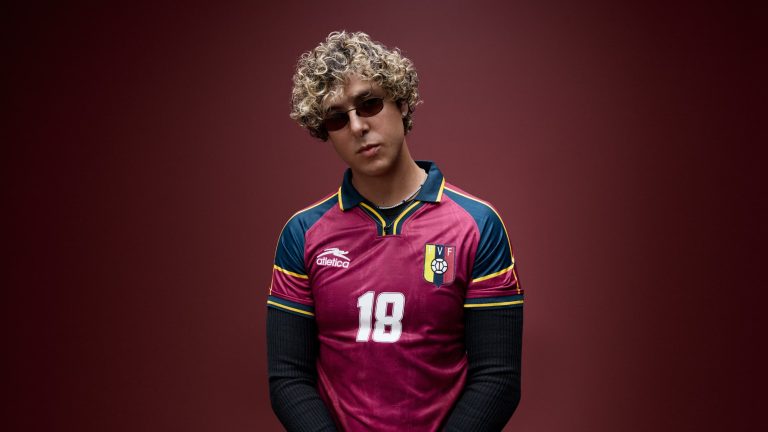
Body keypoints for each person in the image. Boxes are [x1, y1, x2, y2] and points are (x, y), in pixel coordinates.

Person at [266, 31, 523, 432]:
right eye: (337, 118)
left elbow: (497, 378)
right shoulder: (302, 233)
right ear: (325, 132)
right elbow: (288, 379)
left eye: (369, 104)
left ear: (401, 102)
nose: (357, 126)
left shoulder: (478, 224)